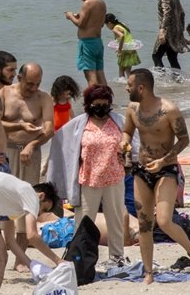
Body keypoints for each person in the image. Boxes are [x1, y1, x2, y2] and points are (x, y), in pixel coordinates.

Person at [118, 68, 190, 283]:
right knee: (144, 223)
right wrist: (124, 141)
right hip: (142, 169)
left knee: (164, 220)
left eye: (129, 85)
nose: (125, 88)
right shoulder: (132, 109)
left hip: (166, 169)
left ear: (141, 88)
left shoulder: (169, 110)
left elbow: (184, 140)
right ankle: (148, 272)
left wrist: (164, 161)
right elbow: (127, 131)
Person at [46, 84, 130, 266]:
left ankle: (117, 256)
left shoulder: (118, 121)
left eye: (104, 103)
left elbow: (132, 139)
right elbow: (61, 141)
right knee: (83, 220)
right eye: (96, 104)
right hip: (88, 178)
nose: (100, 108)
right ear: (89, 104)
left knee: (115, 219)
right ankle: (81, 255)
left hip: (114, 177)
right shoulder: (80, 124)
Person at [1, 62, 54, 185]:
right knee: (5, 194)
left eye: (38, 84)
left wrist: (32, 145)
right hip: (6, 151)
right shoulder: (4, 92)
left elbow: (50, 129)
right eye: (30, 84)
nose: (34, 88)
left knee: (29, 193)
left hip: (31, 154)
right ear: (20, 78)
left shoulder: (44, 98)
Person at [65, 0, 107, 86]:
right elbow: (100, 23)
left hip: (87, 43)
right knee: (100, 73)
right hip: (98, 42)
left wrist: (70, 16)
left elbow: (80, 24)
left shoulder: (87, 3)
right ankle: (106, 100)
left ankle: (94, 101)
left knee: (90, 76)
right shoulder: (101, 2)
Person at [150, 0, 188, 70]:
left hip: (168, 31)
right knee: (172, 57)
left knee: (156, 56)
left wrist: (162, 30)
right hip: (176, 31)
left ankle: (161, 80)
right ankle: (178, 81)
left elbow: (167, 12)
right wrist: (180, 31)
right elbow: (182, 13)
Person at [105, 14, 142, 82]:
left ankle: (121, 85)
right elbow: (126, 35)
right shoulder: (122, 24)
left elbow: (122, 36)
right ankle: (131, 83)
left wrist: (119, 50)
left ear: (109, 23)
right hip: (131, 48)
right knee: (128, 70)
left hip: (125, 49)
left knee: (121, 68)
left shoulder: (115, 29)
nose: (107, 26)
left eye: (106, 25)